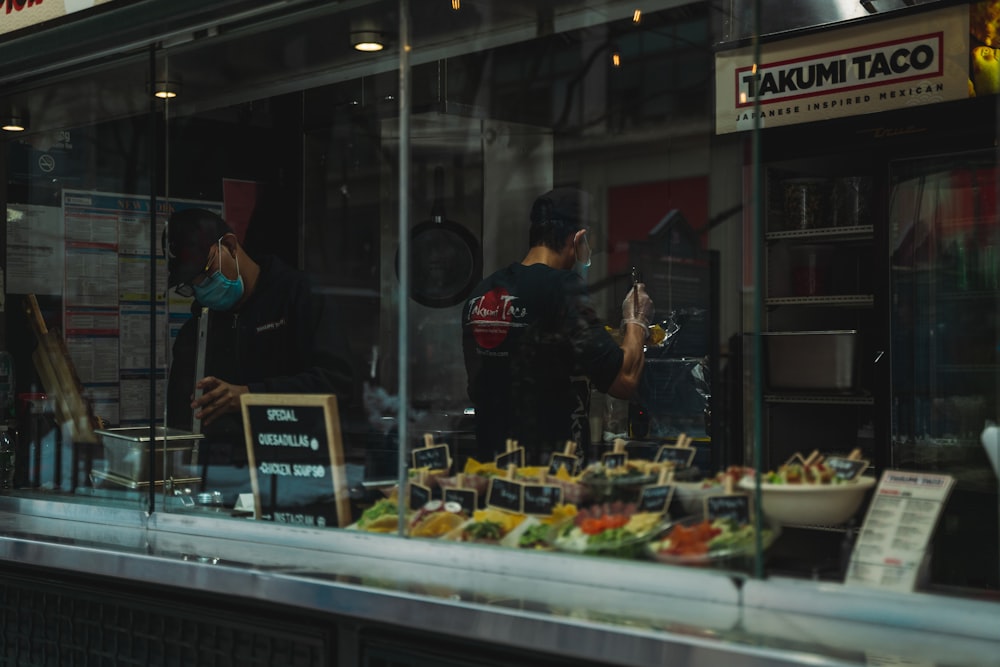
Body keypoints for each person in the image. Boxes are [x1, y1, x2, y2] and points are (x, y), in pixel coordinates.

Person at [461, 187, 653, 467]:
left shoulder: (481, 292)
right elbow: (623, 380)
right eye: (589, 247)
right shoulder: (562, 288)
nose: (587, 257)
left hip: (493, 473)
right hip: (551, 478)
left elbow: (490, 381)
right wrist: (636, 319)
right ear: (579, 239)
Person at [164, 208, 353, 461]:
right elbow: (180, 421)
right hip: (223, 478)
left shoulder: (299, 297)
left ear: (230, 245)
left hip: (296, 467)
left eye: (206, 272)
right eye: (191, 284)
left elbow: (336, 385)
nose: (201, 287)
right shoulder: (198, 330)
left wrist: (248, 396)